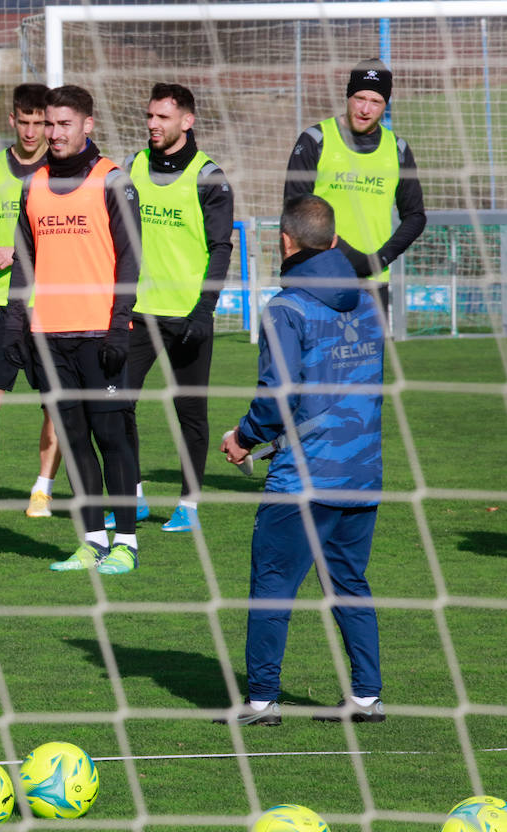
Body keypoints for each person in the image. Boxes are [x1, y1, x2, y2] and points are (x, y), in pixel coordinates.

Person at [219, 194, 385, 727]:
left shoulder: (285, 308)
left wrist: (245, 438)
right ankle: (366, 697)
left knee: (271, 585)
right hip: (362, 470)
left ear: (285, 242)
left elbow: (279, 394)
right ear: (334, 241)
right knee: (349, 583)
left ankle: (262, 701)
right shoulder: (367, 300)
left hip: (304, 477)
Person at [5, 84, 142, 575]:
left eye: (64, 124)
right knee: (75, 439)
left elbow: (130, 258)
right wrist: (17, 327)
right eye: (48, 125)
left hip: (99, 333)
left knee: (110, 435)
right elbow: (25, 261)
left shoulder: (113, 180)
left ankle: (125, 543)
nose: (53, 133)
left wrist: (119, 327)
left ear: (87, 125)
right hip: (50, 336)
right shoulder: (33, 184)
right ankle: (91, 542)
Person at [120, 83, 234, 534]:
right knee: (114, 404)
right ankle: (134, 497)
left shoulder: (210, 176)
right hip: (139, 312)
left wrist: (205, 309)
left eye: (162, 117)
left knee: (191, 412)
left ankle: (188, 503)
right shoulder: (135, 165)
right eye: (149, 116)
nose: (152, 124)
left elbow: (221, 248)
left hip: (188, 317)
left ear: (186, 121)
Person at [0, 82, 62, 521]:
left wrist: (20, 252)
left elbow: (65, 236)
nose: (30, 131)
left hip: (50, 302)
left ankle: (42, 489)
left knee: (56, 404)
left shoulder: (62, 171)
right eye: (23, 122)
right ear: (12, 120)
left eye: (39, 123)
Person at [283, 59, 425, 326]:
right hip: (317, 279)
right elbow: (295, 210)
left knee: (366, 368)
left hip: (372, 284)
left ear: (385, 105)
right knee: (314, 367)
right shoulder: (315, 140)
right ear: (348, 96)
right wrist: (349, 257)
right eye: (360, 98)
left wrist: (380, 259)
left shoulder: (397, 150)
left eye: (375, 101)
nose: (365, 109)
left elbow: (416, 216)